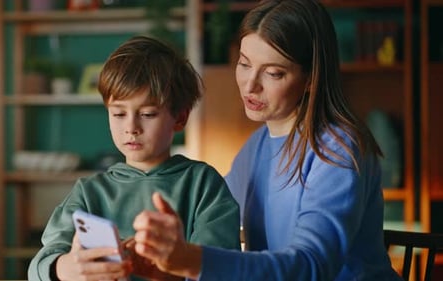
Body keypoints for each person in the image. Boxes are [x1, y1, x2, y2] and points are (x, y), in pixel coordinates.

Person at [130, 0, 403, 280]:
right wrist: (163, 264)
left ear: (311, 78)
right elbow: (212, 222)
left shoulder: (338, 150)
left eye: (273, 73)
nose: (250, 85)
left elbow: (311, 266)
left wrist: (191, 261)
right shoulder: (258, 144)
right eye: (245, 64)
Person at [27, 35, 241, 281]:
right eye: (118, 113)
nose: (131, 127)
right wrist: (67, 269)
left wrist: (170, 269)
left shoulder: (203, 184)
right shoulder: (89, 192)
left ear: (180, 118)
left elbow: (223, 268)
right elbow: (38, 268)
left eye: (148, 114)